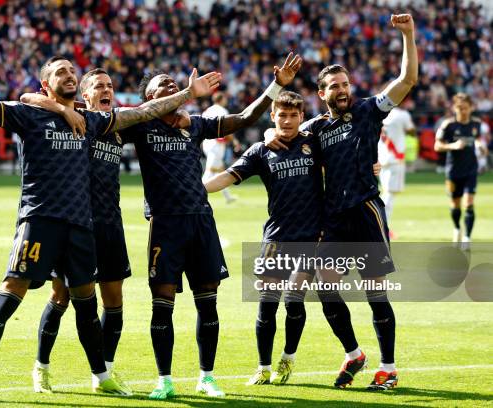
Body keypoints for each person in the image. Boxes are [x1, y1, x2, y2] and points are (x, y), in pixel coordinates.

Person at [0, 51, 220, 405]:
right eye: (61, 72)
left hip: (81, 228)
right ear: (46, 85)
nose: (69, 74)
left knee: (85, 305)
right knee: (11, 295)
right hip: (40, 221)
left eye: (72, 70)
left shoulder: (93, 121)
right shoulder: (29, 115)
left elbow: (142, 112)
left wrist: (188, 95)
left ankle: (102, 376)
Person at [116, 52, 302, 400]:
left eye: (174, 83)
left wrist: (277, 86)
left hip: (201, 221)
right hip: (165, 224)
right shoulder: (140, 125)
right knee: (163, 304)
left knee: (208, 303)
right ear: (149, 99)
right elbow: (111, 121)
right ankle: (164, 380)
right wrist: (186, 94)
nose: (171, 86)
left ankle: (206, 377)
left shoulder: (196, 124)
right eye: (163, 87)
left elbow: (246, 117)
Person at [266, 14, 417, 391]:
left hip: (365, 211)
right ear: (322, 93)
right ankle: (353, 353)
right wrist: (271, 131)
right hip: (333, 219)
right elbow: (283, 126)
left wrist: (409, 36)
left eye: (346, 83)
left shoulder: (368, 111)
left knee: (374, 292)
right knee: (325, 287)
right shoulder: (317, 128)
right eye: (334, 85)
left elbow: (407, 81)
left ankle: (389, 368)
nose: (343, 89)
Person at [20, 68, 183, 395]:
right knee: (60, 297)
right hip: (75, 224)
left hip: (111, 224)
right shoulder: (76, 116)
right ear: (86, 95)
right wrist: (63, 107)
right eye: (99, 86)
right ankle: (42, 367)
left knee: (114, 302)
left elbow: (154, 112)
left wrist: (188, 115)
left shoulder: (121, 124)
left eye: (110, 85)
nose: (107, 89)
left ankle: (103, 372)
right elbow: (28, 97)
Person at [207, 91, 382, 387]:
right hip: (276, 237)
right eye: (281, 115)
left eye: (293, 115)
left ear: (302, 118)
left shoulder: (312, 142)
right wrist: (194, 190)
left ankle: (287, 359)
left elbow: (345, 155)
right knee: (266, 304)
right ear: (273, 116)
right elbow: (227, 176)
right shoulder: (261, 151)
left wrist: (367, 166)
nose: (287, 121)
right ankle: (263, 367)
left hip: (311, 236)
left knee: (292, 298)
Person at [434, 93, 487, 249]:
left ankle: (467, 238)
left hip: (471, 169)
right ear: (454, 108)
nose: (463, 111)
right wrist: (453, 146)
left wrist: (480, 146)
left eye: (465, 108)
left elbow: (477, 139)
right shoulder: (448, 125)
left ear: (471, 108)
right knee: (455, 205)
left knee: (469, 204)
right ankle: (457, 228)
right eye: (459, 108)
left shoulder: (476, 124)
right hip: (453, 171)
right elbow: (437, 146)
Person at [378, 100, 415, 237]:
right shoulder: (403, 115)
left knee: (385, 193)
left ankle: (380, 226)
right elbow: (411, 131)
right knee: (389, 196)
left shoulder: (382, 114)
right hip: (395, 159)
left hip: (382, 158)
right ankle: (383, 229)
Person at [202, 92, 238, 203]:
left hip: (206, 143)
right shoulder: (222, 111)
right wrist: (235, 141)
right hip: (216, 144)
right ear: (221, 99)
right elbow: (226, 129)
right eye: (225, 99)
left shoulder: (207, 110)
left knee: (220, 172)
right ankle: (196, 194)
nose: (226, 101)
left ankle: (228, 197)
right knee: (209, 171)